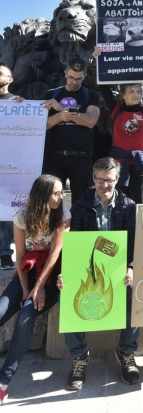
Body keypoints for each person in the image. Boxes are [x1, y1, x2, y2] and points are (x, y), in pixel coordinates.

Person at [58, 157, 139, 389]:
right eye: (100, 180)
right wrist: (67, 273)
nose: (105, 185)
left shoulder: (128, 205)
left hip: (118, 268)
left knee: (134, 291)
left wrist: (130, 268)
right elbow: (75, 246)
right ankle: (79, 356)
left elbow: (132, 243)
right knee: (68, 294)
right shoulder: (81, 206)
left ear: (117, 179)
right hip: (88, 267)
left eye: (110, 180)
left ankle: (126, 352)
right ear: (93, 178)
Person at [0, 175, 70, 404]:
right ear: (43, 196)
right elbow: (19, 256)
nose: (62, 197)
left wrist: (37, 288)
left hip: (51, 276)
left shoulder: (63, 215)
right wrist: (23, 289)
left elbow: (54, 255)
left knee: (25, 315)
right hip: (27, 271)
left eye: (62, 192)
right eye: (57, 193)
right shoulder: (22, 216)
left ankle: (3, 381)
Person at [93, 47, 143, 204]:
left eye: (138, 91)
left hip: (140, 166)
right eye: (131, 91)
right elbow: (103, 87)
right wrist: (98, 60)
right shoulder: (116, 111)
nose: (136, 94)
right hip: (117, 166)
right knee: (119, 204)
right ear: (123, 95)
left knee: (139, 203)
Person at [41, 58, 100, 205]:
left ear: (85, 76)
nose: (74, 82)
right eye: (71, 78)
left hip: (81, 156)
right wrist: (60, 116)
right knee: (51, 200)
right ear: (65, 73)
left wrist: (61, 109)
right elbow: (41, 125)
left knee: (82, 202)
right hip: (55, 156)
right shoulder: (51, 95)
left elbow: (91, 121)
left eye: (78, 79)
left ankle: (79, 228)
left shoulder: (91, 95)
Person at [0, 63, 18, 269]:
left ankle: (5, 253)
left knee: (4, 211)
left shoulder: (18, 102)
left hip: (9, 164)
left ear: (10, 79)